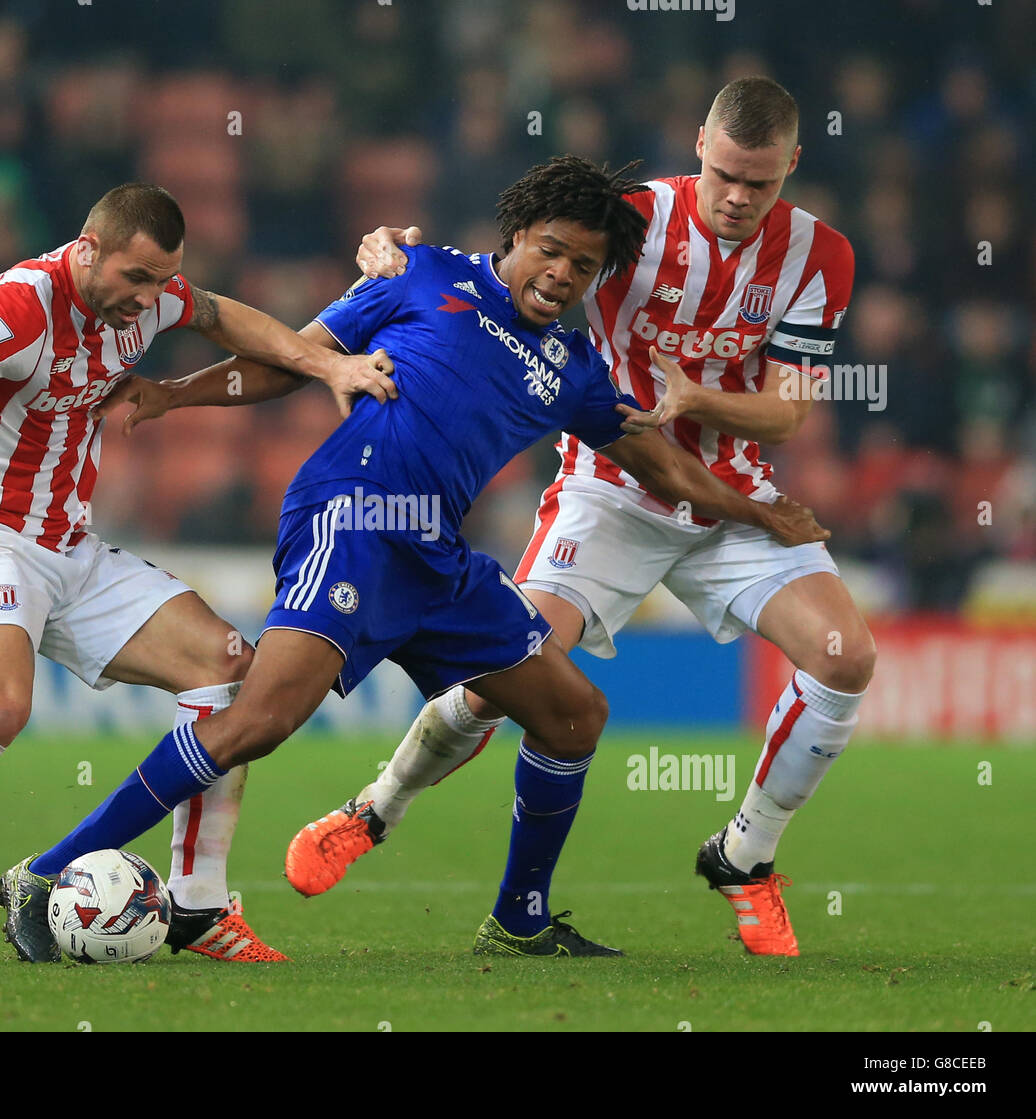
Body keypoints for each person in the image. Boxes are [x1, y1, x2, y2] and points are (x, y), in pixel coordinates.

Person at [0, 155, 829, 959]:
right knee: (259, 719)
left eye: (585, 264)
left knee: (574, 715)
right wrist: (178, 394)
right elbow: (294, 360)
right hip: (353, 519)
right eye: (551, 249)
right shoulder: (420, 274)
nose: (562, 274)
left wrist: (755, 509)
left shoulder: (575, 368)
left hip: (438, 557)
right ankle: (40, 872)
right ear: (516, 233)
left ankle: (519, 923)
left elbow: (663, 466)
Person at [288, 77, 870, 959]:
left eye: (761, 183)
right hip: (609, 485)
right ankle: (376, 807)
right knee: (500, 681)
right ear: (698, 144)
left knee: (845, 657)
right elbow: (520, 262)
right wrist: (398, 252)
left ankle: (745, 857)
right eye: (723, 175)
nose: (739, 199)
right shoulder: (631, 219)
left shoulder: (820, 257)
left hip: (729, 494)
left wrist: (694, 398)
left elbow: (789, 410)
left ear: (792, 165)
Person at [0, 182, 396, 965]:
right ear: (87, 252)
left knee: (226, 666)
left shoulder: (151, 298)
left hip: (70, 546)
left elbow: (222, 316)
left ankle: (198, 905)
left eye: (163, 281)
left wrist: (326, 365)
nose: (151, 299)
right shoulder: (19, 305)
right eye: (138, 279)